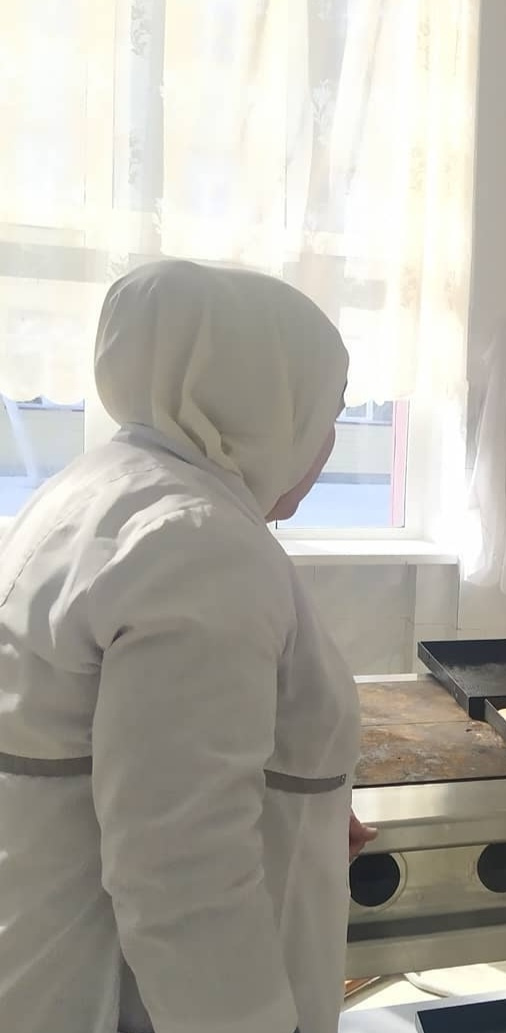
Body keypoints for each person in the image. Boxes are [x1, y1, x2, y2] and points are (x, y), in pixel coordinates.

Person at [0, 260, 377, 1033]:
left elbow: (130, 760)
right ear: (265, 401)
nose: (327, 441)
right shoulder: (197, 544)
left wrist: (301, 809)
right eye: (325, 409)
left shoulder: (99, 488)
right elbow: (181, 871)